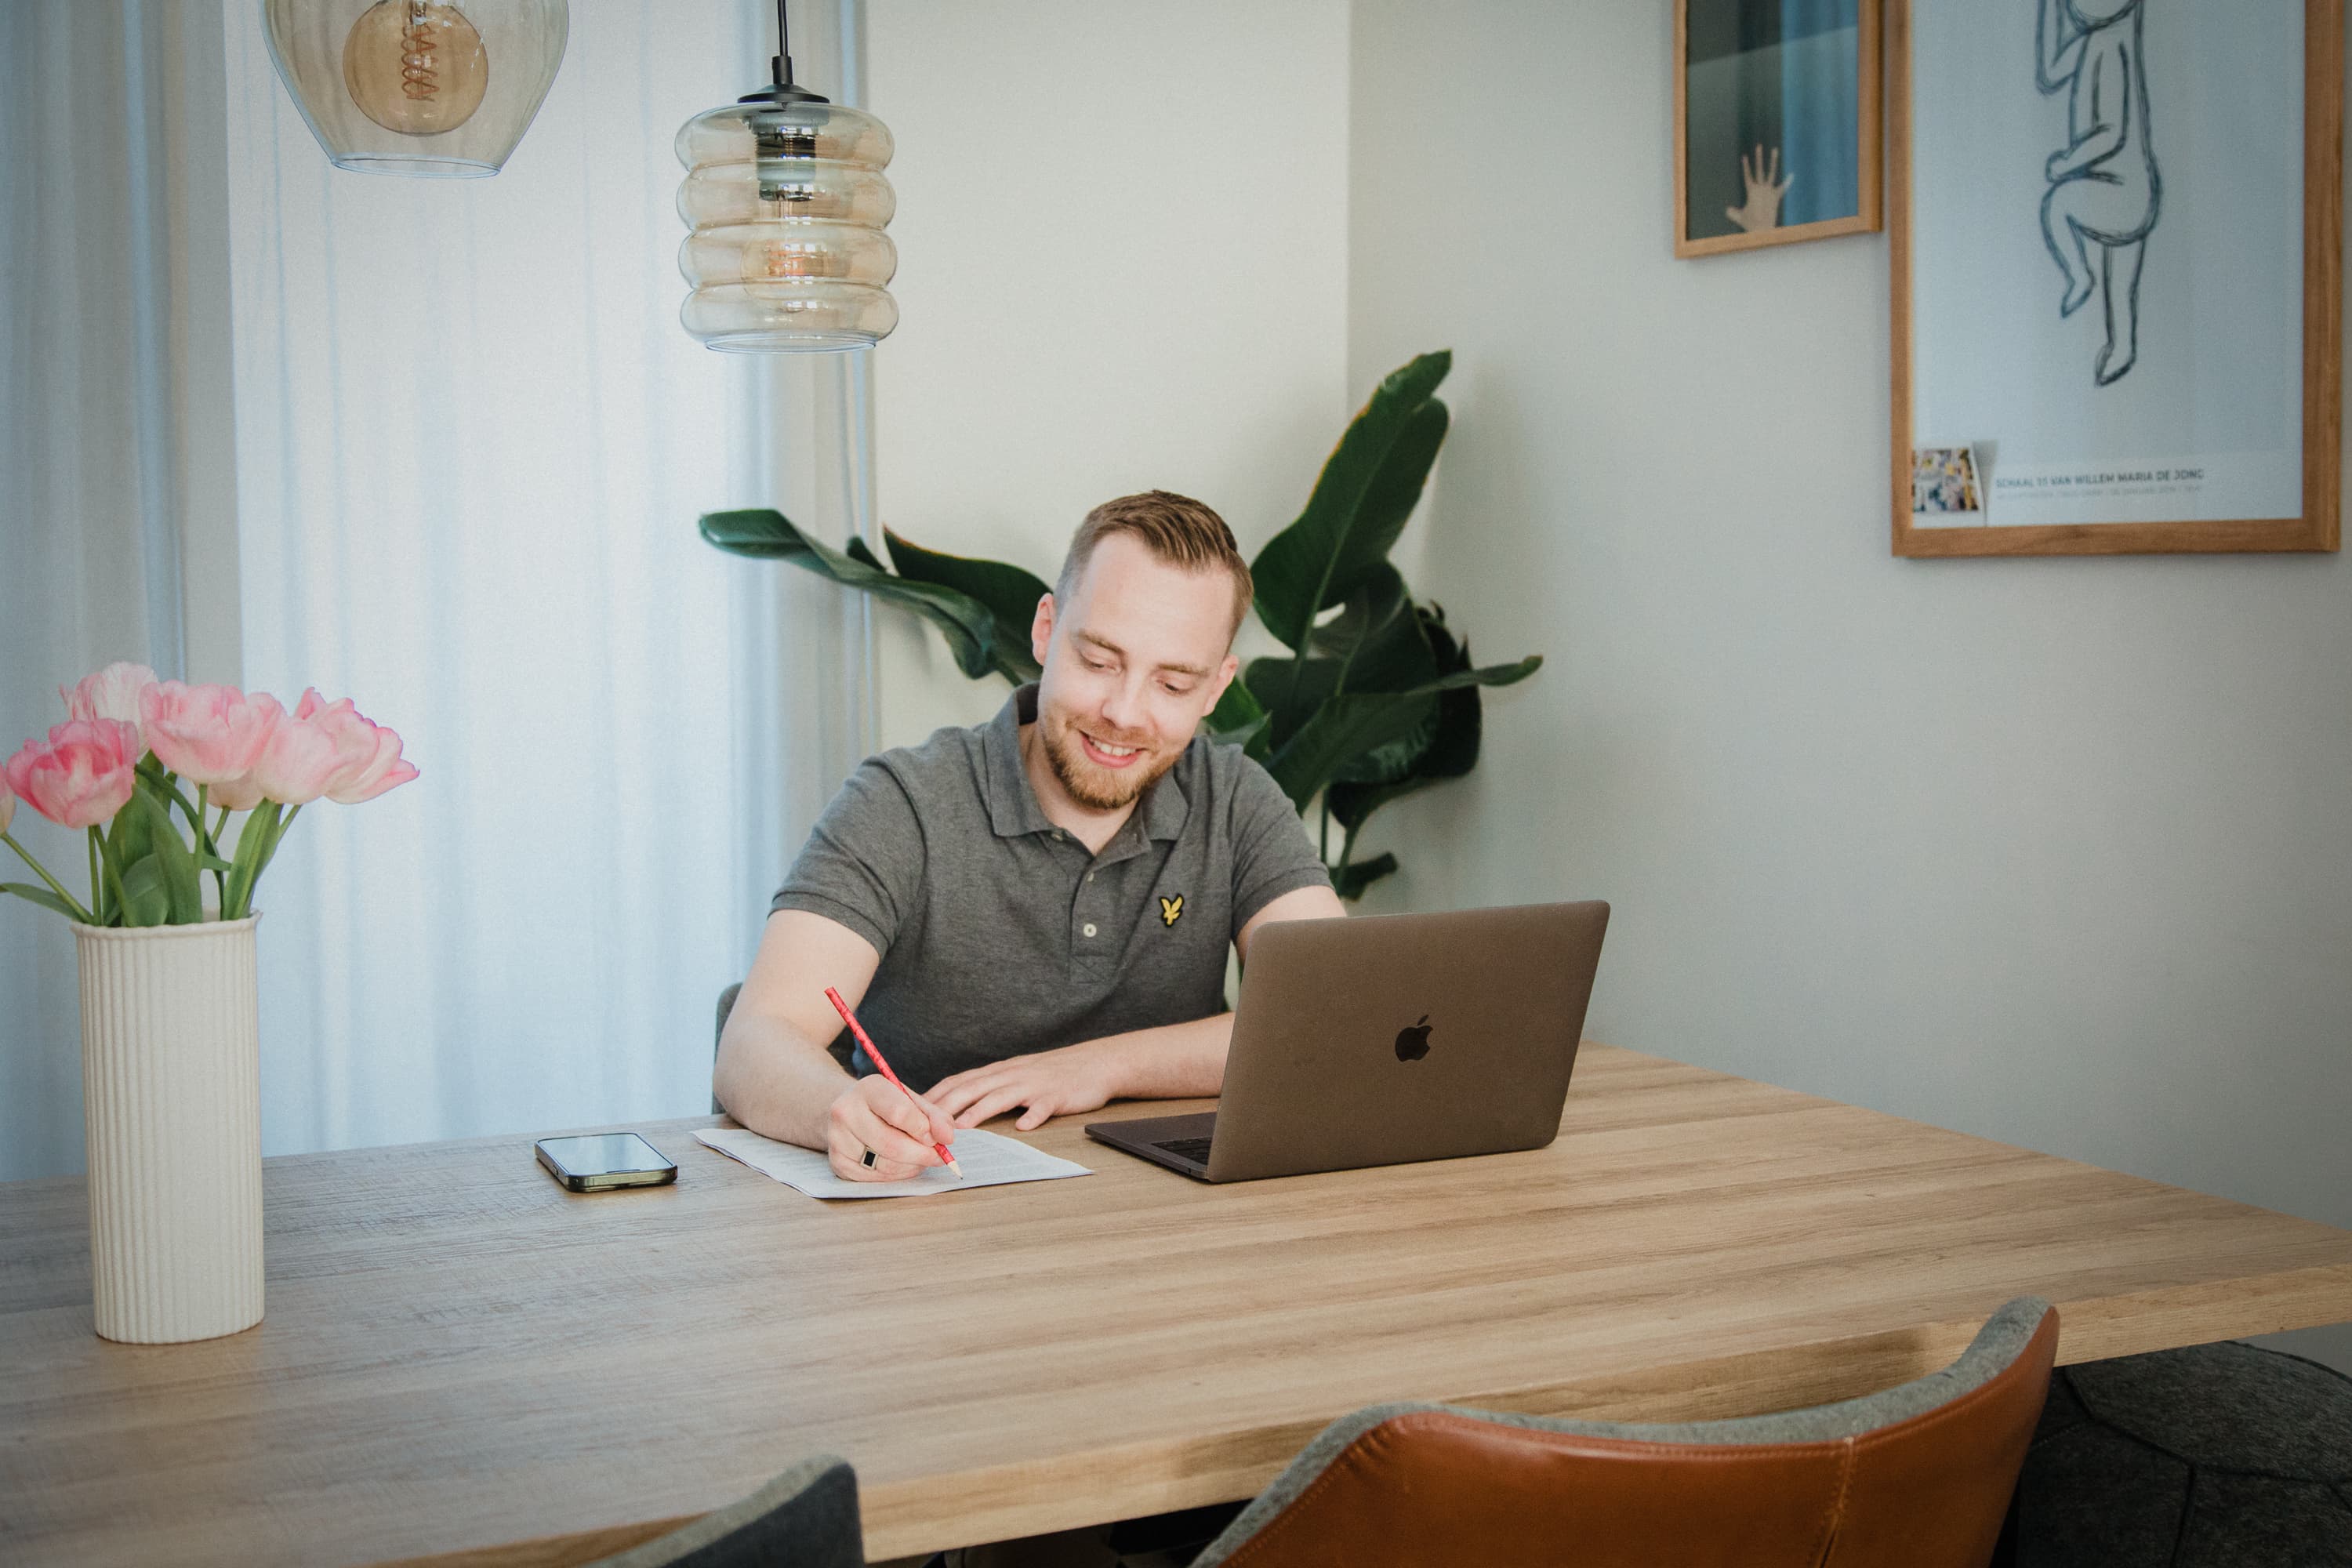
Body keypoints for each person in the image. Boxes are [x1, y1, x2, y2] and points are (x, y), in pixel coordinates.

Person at [714, 490, 1345, 1182]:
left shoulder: (1237, 800)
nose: (1123, 713)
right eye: (1100, 662)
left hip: (1163, 1224)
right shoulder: (902, 803)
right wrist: (840, 1108)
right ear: (1046, 630)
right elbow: (755, 1041)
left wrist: (1101, 1066)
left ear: (1217, 688)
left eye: (1172, 683)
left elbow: (1331, 1017)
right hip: (938, 1212)